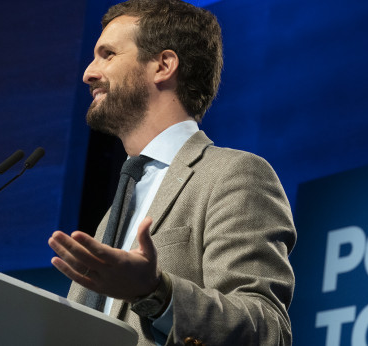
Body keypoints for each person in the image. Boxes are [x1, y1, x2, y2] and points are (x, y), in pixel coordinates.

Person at [48, 0, 296, 344]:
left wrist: (156, 292)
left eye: (107, 55)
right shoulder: (114, 214)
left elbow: (267, 330)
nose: (89, 72)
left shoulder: (234, 175)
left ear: (163, 65)